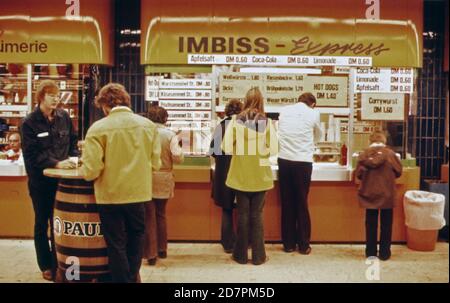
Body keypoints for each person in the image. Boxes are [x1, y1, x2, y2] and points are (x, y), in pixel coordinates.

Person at [81, 83, 161, 283]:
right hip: (139, 194)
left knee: (116, 243)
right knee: (136, 238)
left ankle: (121, 280)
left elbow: (91, 171)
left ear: (105, 105)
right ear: (126, 101)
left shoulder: (97, 129)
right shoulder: (148, 126)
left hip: (110, 195)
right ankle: (132, 276)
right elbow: (156, 164)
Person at [20, 80, 78, 281]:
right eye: (52, 95)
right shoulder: (29, 122)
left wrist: (73, 158)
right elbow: (32, 155)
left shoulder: (64, 117)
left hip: (62, 182)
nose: (56, 98)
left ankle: (58, 263)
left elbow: (72, 141)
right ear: (41, 96)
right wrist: (56, 164)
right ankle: (45, 264)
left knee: (59, 223)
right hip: (40, 184)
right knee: (42, 222)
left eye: (58, 94)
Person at [222, 87, 278, 265]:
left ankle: (240, 255)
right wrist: (261, 152)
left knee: (243, 215)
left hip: (240, 174)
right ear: (261, 101)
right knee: (257, 215)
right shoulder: (267, 122)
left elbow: (226, 147)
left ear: (246, 100)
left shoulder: (235, 121)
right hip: (260, 174)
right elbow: (275, 149)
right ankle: (259, 256)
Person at [277, 92, 321, 255]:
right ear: (313, 104)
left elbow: (280, 132)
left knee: (287, 202)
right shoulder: (314, 113)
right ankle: (303, 245)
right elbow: (318, 135)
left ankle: (288, 244)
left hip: (284, 160)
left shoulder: (285, 111)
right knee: (301, 202)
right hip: (303, 161)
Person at [143, 105, 183, 266]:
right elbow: (178, 157)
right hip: (165, 176)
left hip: (147, 176)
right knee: (161, 213)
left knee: (149, 215)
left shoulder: (145, 133)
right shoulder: (170, 135)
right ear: (165, 118)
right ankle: (162, 249)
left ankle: (150, 254)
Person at [356, 131, 402, 261]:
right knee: (386, 224)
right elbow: (399, 172)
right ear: (384, 141)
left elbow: (359, 174)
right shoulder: (391, 154)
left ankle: (370, 252)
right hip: (387, 194)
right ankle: (384, 253)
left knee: (370, 224)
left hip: (369, 194)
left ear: (370, 141)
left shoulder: (363, 155)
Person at [209, 99, 243, 253]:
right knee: (244, 209)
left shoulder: (221, 126)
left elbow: (213, 151)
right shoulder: (245, 127)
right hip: (241, 172)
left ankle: (227, 243)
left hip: (223, 173)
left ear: (227, 111)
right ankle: (243, 241)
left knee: (227, 209)